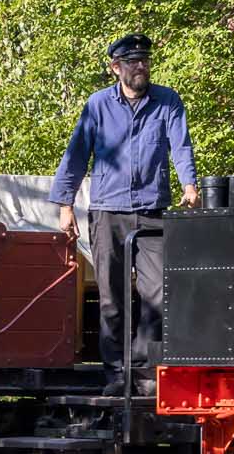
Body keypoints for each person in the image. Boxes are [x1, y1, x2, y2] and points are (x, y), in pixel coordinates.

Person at [51, 32, 199, 392]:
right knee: (111, 297)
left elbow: (180, 145)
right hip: (107, 212)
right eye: (133, 62)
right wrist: (65, 204)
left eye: (145, 60)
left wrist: (190, 185)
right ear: (115, 67)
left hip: (152, 211)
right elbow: (75, 155)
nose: (141, 67)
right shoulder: (98, 105)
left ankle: (147, 373)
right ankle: (116, 373)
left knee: (158, 294)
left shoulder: (167, 102)